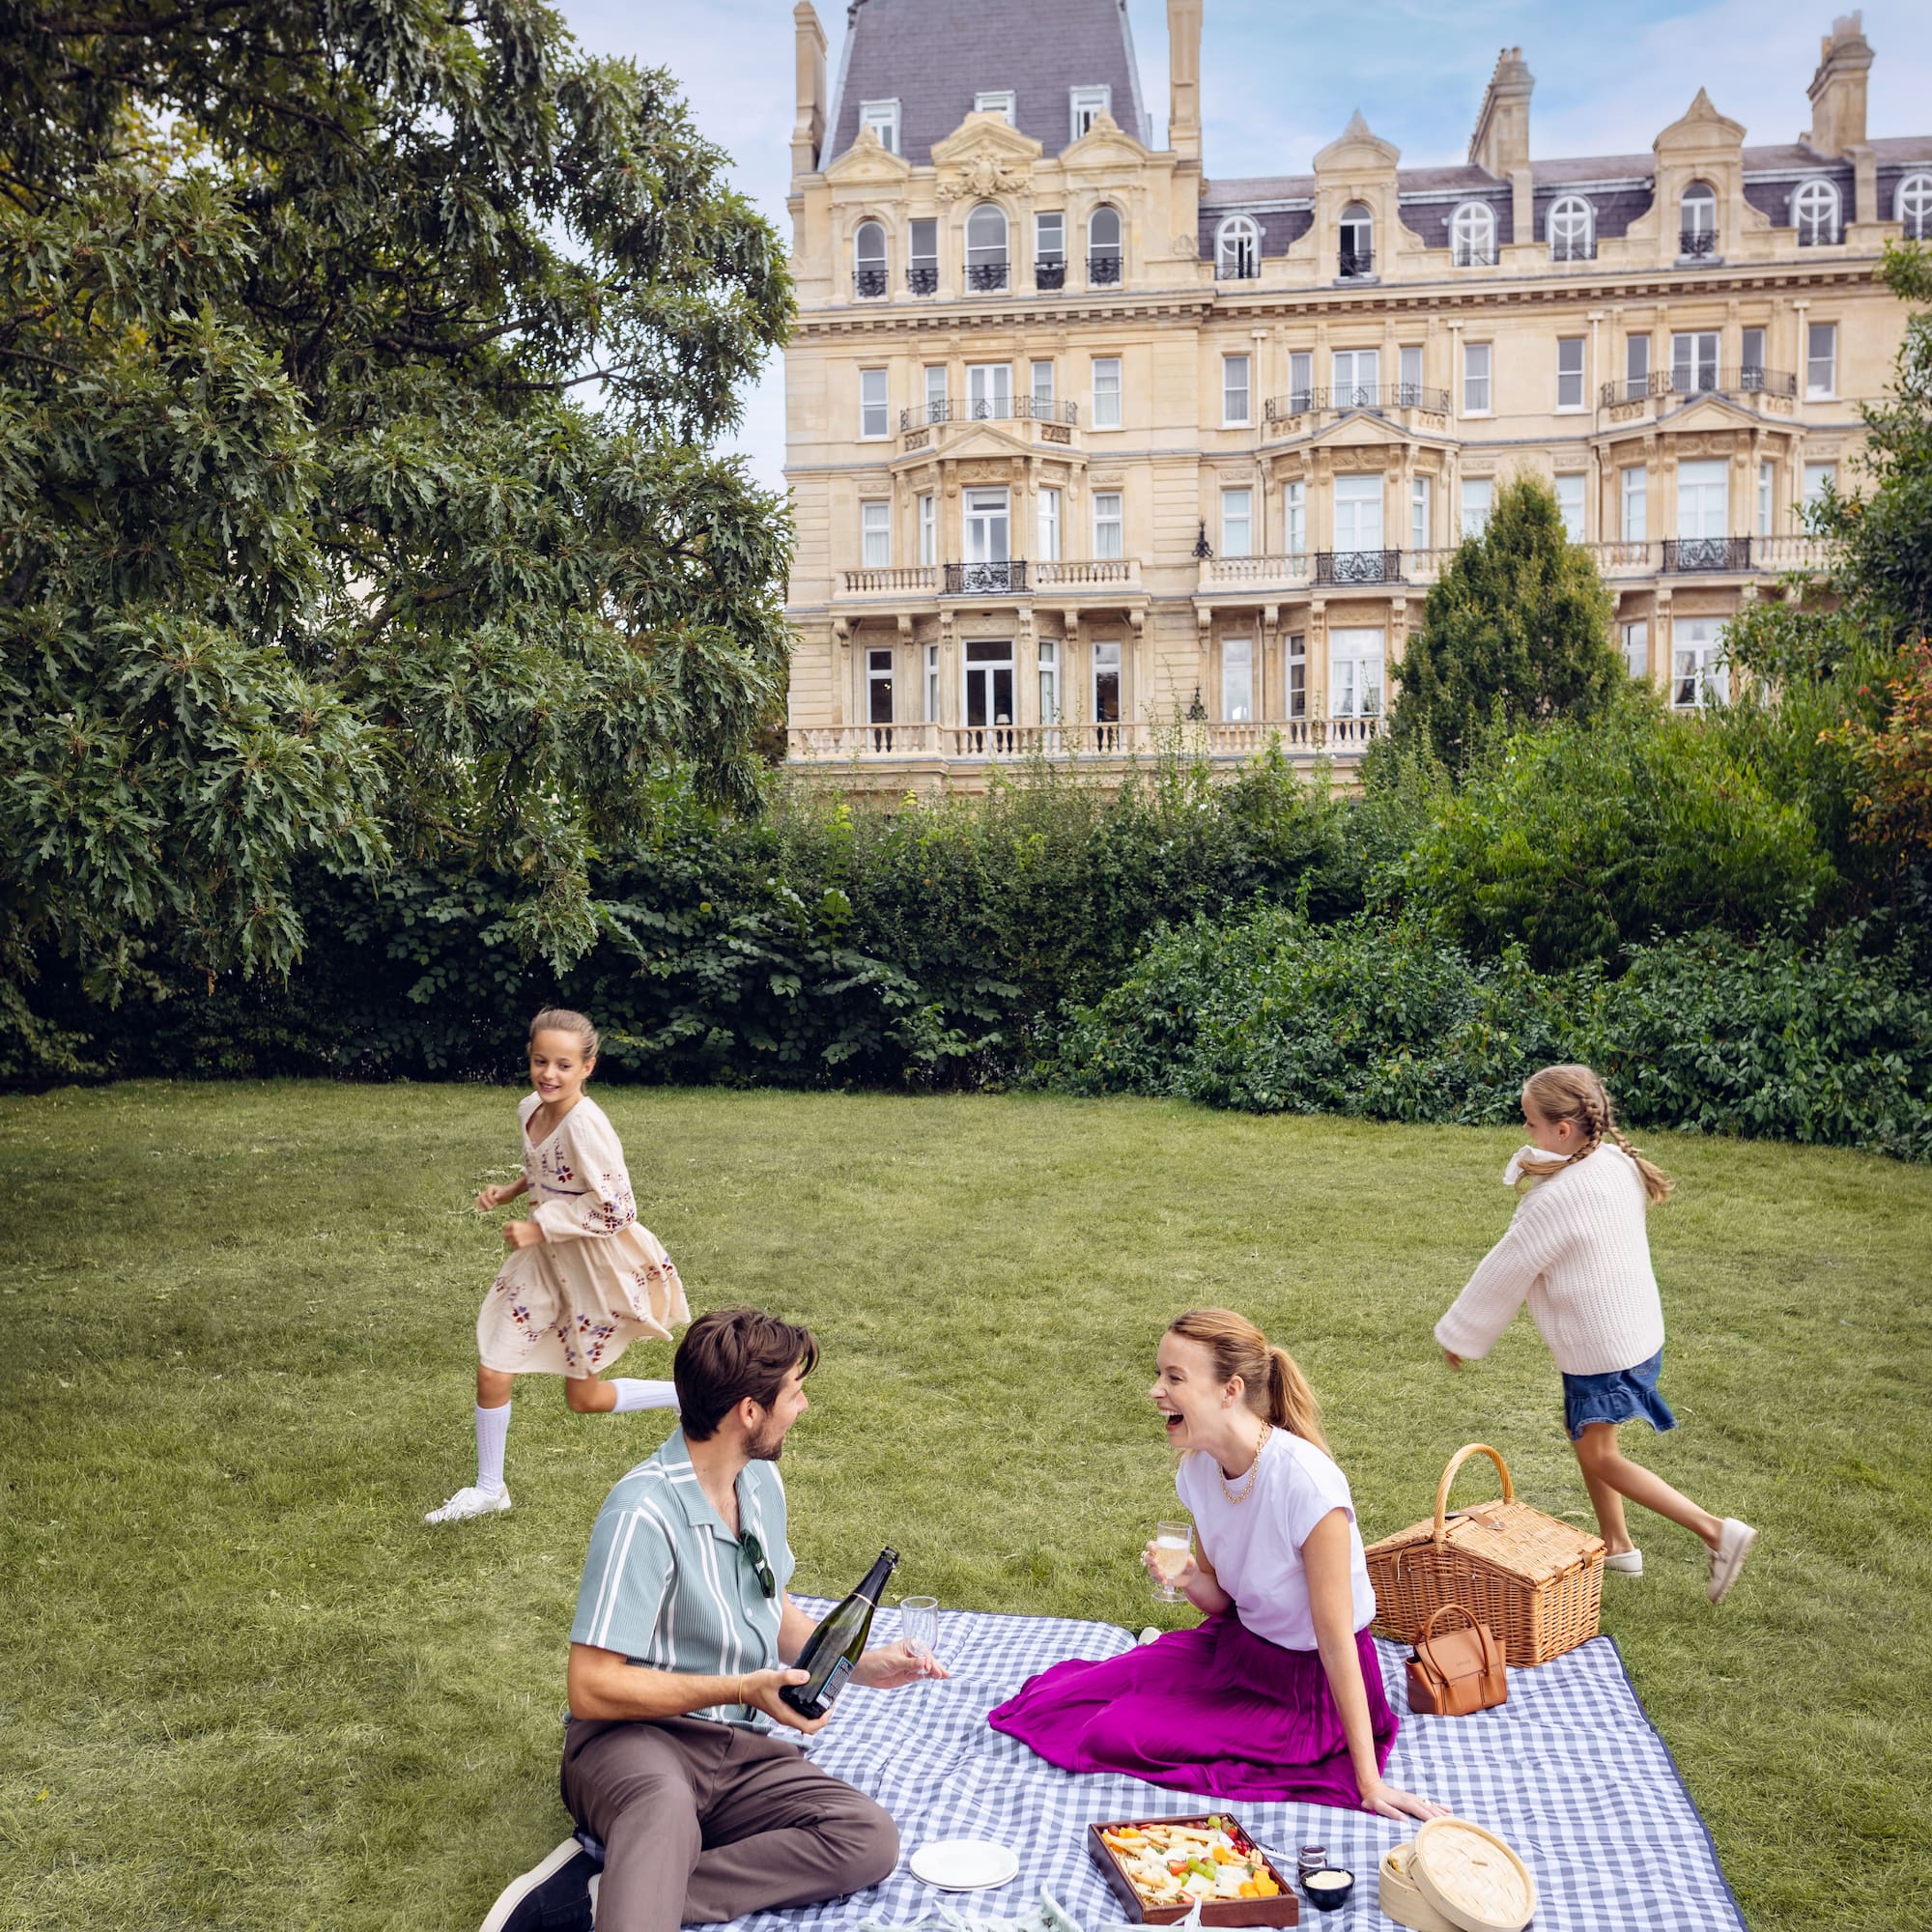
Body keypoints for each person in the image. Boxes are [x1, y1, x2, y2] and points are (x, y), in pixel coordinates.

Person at [478, 1307, 944, 1932]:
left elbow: (767, 1605)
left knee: (866, 1837)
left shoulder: (759, 1485)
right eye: (794, 1394)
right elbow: (589, 1687)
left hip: (736, 1747)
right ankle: (641, 1891)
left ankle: (600, 1898)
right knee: (665, 1805)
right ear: (749, 1411)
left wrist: (863, 1664)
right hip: (634, 1740)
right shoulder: (643, 1512)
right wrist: (741, 1688)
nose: (801, 1407)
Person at [989, 1310, 1446, 1817]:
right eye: (1159, 1374)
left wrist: (1368, 1782)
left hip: (1307, 1692)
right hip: (1239, 1652)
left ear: (1230, 1391)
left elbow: (1337, 1644)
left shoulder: (1308, 1486)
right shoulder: (1200, 1470)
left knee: (1111, 1732)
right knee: (1059, 1700)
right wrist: (1187, 1577)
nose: (1155, 1390)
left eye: (1174, 1378)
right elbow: (1223, 1605)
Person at [1435, 1063, 1757, 1603]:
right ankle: (1618, 1545)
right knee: (1582, 1433)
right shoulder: (1612, 1162)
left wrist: (1459, 1335)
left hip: (1604, 1351)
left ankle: (1716, 1531)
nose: (1525, 1131)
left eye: (1530, 1122)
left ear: (1563, 1130)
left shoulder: (1553, 1202)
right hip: (1635, 1334)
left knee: (1601, 1452)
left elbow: (1505, 1269)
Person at [427, 1009, 688, 1525]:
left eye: (564, 1065)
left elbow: (619, 1209)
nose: (550, 1074)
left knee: (584, 1398)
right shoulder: (531, 1106)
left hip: (590, 1267)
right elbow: (545, 1163)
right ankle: (488, 1488)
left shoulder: (589, 1126)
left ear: (587, 1068)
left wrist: (541, 1226)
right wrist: (512, 1191)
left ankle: (688, 1396)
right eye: (541, 1061)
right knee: (493, 1367)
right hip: (541, 1264)